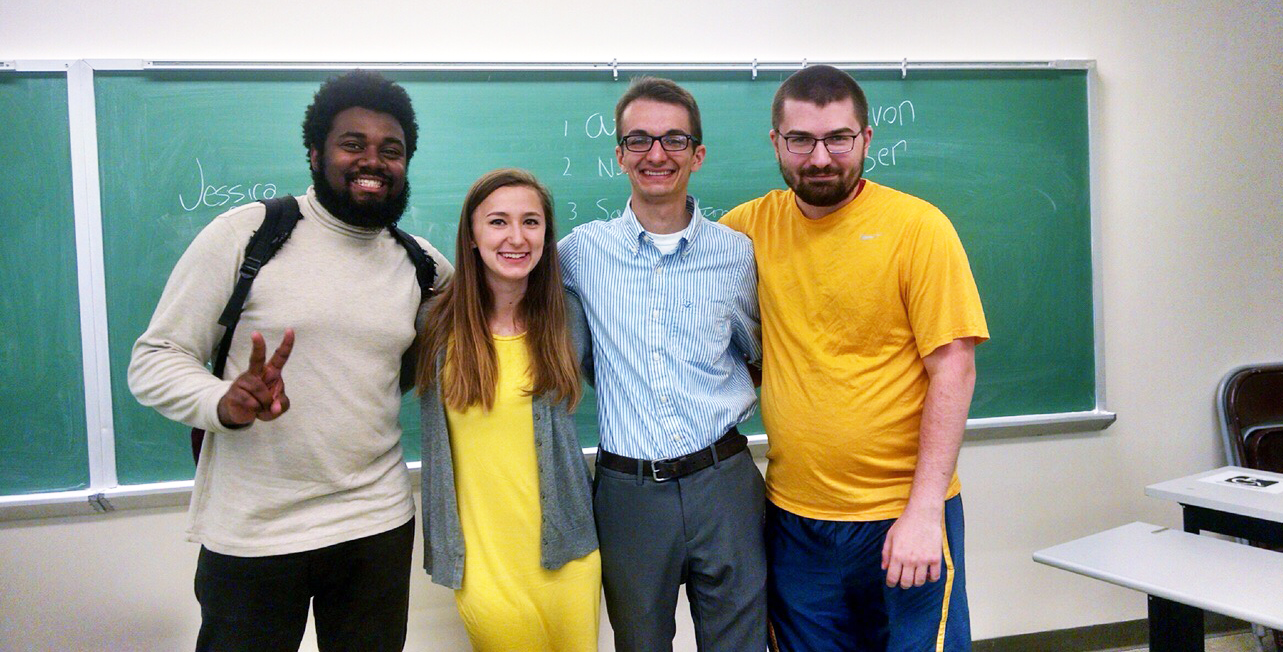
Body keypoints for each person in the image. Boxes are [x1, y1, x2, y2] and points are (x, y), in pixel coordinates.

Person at [128, 70, 450, 652]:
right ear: (315, 152)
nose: (372, 161)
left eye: (391, 150)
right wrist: (221, 401)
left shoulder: (422, 265)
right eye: (352, 144)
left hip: (375, 525)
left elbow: (467, 341)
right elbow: (155, 358)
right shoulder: (248, 235)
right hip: (254, 533)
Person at [720, 64, 989, 652]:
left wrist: (923, 514)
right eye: (801, 140)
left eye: (837, 138)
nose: (820, 157)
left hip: (903, 516)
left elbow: (955, 367)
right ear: (776, 142)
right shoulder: (743, 232)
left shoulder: (919, 229)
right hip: (795, 521)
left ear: (866, 138)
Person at [559, 77, 766, 650]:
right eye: (640, 140)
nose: (656, 154)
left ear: (698, 154)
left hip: (723, 484)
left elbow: (759, 354)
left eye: (674, 140)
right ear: (619, 153)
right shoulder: (578, 254)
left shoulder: (736, 252)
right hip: (629, 493)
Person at [414, 168, 601, 650]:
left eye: (531, 222)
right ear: (472, 236)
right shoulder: (435, 325)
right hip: (482, 567)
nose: (516, 237)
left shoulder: (568, 316)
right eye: (498, 222)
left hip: (571, 555)